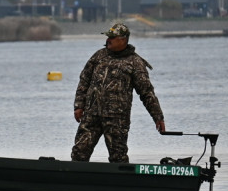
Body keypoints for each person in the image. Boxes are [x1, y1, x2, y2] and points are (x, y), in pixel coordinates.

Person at [71, 21, 166, 163]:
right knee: (79, 153)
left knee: (118, 157)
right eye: (107, 37)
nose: (107, 40)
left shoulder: (135, 62)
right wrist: (79, 105)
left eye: (111, 38)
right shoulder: (99, 56)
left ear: (123, 40)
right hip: (92, 115)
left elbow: (146, 93)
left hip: (117, 119)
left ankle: (121, 184)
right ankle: (75, 182)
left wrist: (157, 116)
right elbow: (84, 81)